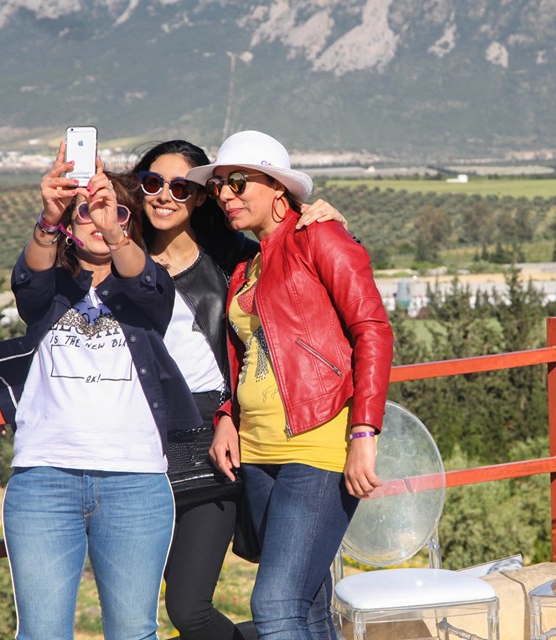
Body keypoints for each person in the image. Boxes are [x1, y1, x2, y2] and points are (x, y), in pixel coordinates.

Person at [0, 144, 201, 639]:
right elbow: (28, 284)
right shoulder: (52, 291)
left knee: (132, 630)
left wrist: (115, 232)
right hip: (44, 479)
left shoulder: (147, 289)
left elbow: (149, 287)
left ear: (130, 224)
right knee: (42, 632)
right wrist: (48, 219)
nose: (98, 220)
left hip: (135, 482)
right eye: (84, 212)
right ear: (70, 225)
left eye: (115, 211)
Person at [129, 139, 347, 639]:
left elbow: (319, 286)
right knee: (302, 603)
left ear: (199, 197)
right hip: (138, 448)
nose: (164, 195)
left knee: (214, 606)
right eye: (152, 183)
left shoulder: (233, 259)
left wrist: (332, 224)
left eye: (181, 187)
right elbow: (77, 326)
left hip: (220, 442)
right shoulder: (121, 263)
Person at [186, 130, 394, 640]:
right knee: (308, 606)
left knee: (275, 604)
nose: (226, 194)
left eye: (238, 182)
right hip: (258, 451)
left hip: (317, 442)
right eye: (218, 186)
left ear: (278, 187)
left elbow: (372, 329)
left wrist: (364, 432)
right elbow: (245, 357)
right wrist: (227, 417)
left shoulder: (320, 237)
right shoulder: (248, 263)